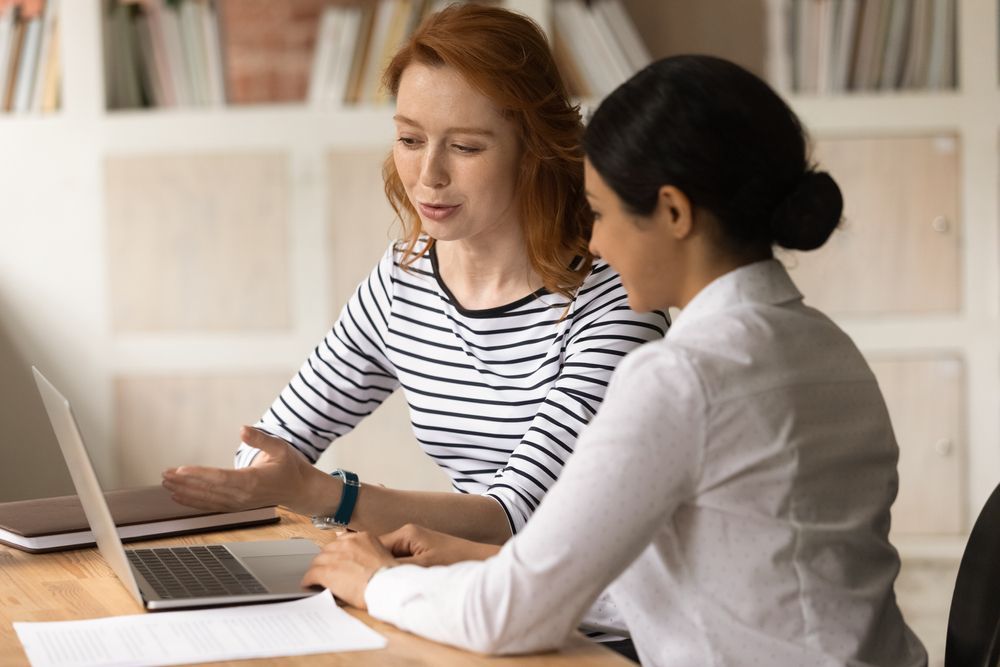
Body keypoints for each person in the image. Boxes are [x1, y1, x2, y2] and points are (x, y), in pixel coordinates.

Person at [298, 55, 929, 666]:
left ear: (674, 213)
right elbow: (722, 577)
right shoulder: (826, 347)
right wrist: (480, 558)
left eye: (599, 213)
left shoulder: (683, 380)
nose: (593, 240)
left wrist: (377, 581)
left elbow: (510, 618)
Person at [161, 3, 667, 653]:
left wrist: (324, 495)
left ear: (534, 149)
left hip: (606, 631)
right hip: (470, 605)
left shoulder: (616, 298)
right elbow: (278, 439)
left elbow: (517, 517)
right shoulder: (405, 280)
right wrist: (256, 476)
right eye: (409, 138)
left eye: (465, 146)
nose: (429, 175)